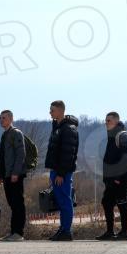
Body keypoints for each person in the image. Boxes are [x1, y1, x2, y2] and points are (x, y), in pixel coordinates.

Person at [44, 100, 79, 242]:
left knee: (65, 200)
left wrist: (61, 173)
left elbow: (68, 154)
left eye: (52, 110)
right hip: (56, 170)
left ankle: (66, 231)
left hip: (62, 172)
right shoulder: (58, 127)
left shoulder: (68, 129)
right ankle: (62, 229)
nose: (50, 113)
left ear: (60, 110)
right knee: (60, 201)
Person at [97, 112, 127, 241]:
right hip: (111, 179)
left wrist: (118, 177)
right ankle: (110, 232)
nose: (106, 123)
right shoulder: (112, 136)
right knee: (107, 202)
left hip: (119, 179)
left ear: (116, 122)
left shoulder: (122, 136)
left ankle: (124, 232)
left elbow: (126, 159)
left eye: (109, 121)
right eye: (105, 121)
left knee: (122, 203)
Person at [0, 110, 27, 242]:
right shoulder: (5, 135)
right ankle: (13, 232)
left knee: (18, 204)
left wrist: (16, 172)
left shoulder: (16, 133)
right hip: (7, 175)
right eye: (0, 118)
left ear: (10, 119)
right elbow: (2, 157)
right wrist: (0, 174)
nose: (1, 120)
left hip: (15, 175)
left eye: (4, 118)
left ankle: (19, 233)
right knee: (12, 204)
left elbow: (21, 154)